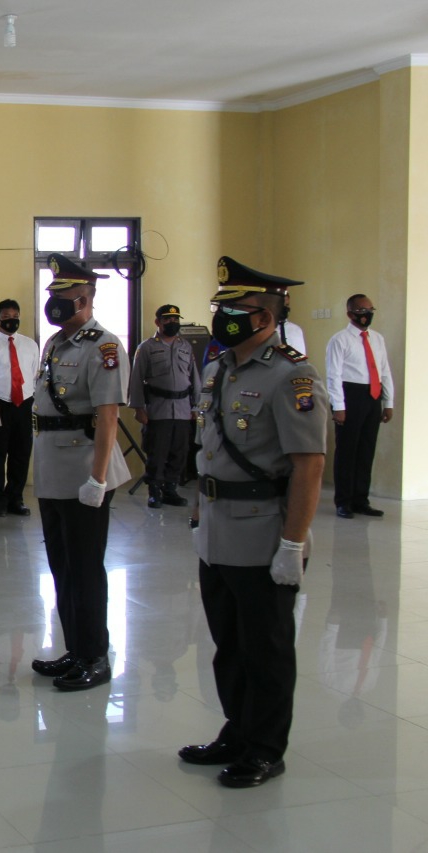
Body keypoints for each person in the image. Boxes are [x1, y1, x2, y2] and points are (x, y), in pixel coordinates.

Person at [181, 256, 326, 788]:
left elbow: (309, 464)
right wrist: (199, 514)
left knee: (265, 646)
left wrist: (293, 543)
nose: (221, 316)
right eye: (221, 307)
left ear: (264, 317)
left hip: (264, 530)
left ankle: (266, 747)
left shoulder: (292, 375)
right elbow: (209, 452)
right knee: (228, 643)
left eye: (233, 308)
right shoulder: (220, 369)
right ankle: (237, 729)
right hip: (219, 529)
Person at [29, 253, 131, 692]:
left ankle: (96, 657)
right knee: (62, 567)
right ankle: (75, 648)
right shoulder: (53, 344)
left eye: (65, 297)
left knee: (86, 568)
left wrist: (99, 478)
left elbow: (107, 418)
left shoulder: (104, 347)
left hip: (86, 470)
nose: (55, 304)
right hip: (53, 469)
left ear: (86, 300)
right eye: (52, 295)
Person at [325, 294, 393, 519]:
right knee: (347, 451)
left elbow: (384, 371)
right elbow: (333, 375)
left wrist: (388, 402)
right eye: (362, 310)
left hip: (372, 395)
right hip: (350, 395)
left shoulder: (377, 339)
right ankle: (343, 502)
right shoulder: (340, 340)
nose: (367, 314)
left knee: (366, 450)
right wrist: (338, 406)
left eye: (370, 309)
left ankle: (361, 499)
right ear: (350, 313)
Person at [128, 304, 200, 508]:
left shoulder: (185, 346)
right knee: (157, 452)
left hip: (183, 408)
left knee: (179, 451)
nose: (172, 322)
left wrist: (196, 406)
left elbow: (194, 376)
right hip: (158, 408)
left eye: (176, 319)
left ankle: (170, 489)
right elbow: (136, 379)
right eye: (167, 319)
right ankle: (154, 491)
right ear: (158, 322)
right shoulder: (147, 347)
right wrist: (138, 408)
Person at [0, 298, 40, 518]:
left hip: (24, 403)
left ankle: (15, 497)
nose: (11, 321)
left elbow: (34, 375)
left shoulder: (30, 345)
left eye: (15, 317)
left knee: (21, 453)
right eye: (6, 317)